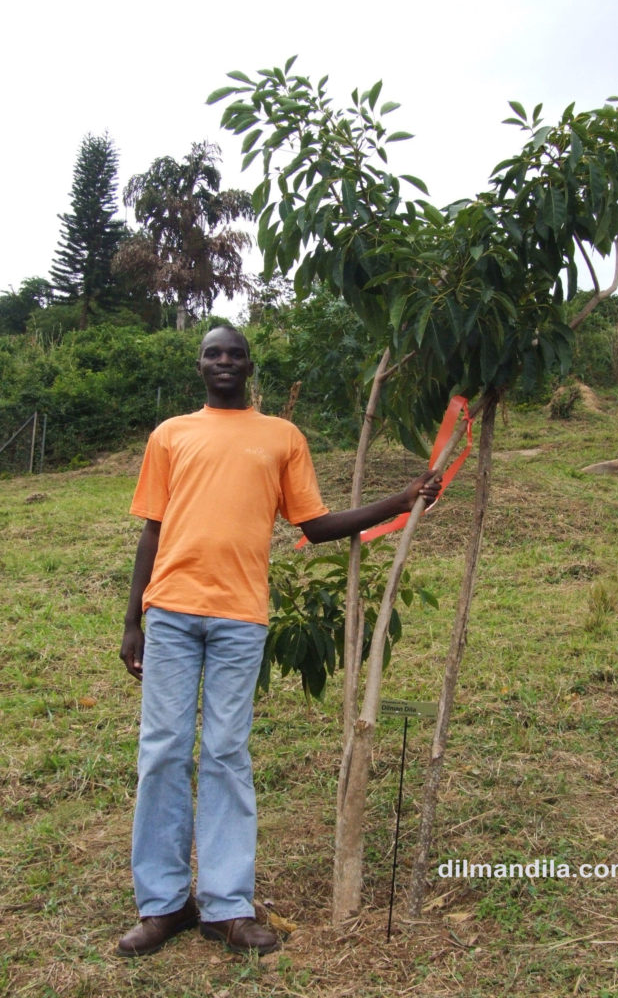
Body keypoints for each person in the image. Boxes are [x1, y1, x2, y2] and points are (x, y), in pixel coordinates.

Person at [117, 325, 440, 957]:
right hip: (172, 615)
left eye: (235, 353)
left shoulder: (281, 437)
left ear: (249, 365)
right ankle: (162, 905)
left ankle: (227, 907)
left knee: (226, 755)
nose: (225, 361)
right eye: (214, 353)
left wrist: (398, 500)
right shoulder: (171, 435)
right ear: (201, 365)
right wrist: (133, 620)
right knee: (161, 753)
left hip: (241, 619)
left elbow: (316, 526)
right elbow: (152, 532)